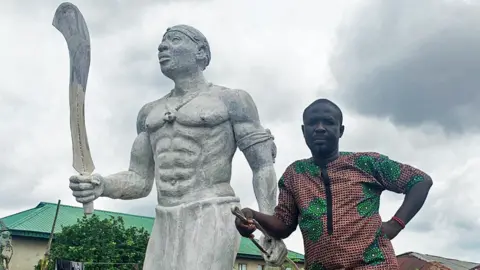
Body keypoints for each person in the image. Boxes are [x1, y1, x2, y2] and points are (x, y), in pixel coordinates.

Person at [68, 24, 286, 270]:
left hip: (212, 211)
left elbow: (262, 165)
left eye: (175, 39)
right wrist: (102, 185)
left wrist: (270, 229)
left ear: (201, 52)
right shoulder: (148, 114)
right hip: (165, 217)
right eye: (162, 41)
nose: (163, 46)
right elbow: (139, 180)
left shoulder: (231, 100)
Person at [235, 98, 433, 270]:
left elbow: (420, 181)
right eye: (312, 123)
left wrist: (395, 224)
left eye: (328, 123)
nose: (319, 127)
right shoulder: (295, 174)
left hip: (374, 264)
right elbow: (283, 225)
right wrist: (252, 217)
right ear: (304, 131)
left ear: (341, 130)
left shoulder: (366, 163)